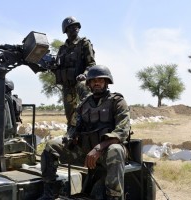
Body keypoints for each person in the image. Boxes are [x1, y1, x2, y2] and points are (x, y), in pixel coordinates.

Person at [38, 65, 130, 200]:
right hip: (86, 152)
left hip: (107, 153)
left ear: (106, 82)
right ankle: (49, 192)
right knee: (51, 145)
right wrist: (71, 137)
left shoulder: (117, 102)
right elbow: (73, 126)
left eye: (101, 80)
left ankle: (114, 197)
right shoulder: (84, 104)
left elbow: (122, 131)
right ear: (89, 84)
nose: (97, 83)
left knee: (115, 149)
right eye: (93, 81)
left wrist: (99, 148)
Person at [53, 16, 96, 135]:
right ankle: (71, 133)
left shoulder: (84, 43)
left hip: (80, 81)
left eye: (76, 26)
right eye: (71, 27)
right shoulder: (62, 49)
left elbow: (91, 64)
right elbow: (57, 67)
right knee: (70, 114)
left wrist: (85, 74)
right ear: (66, 30)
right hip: (67, 85)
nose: (75, 29)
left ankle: (90, 128)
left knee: (86, 104)